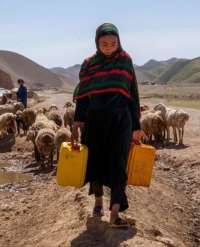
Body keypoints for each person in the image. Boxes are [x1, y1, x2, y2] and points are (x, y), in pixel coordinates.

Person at [71, 23, 147, 228]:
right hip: (95, 120)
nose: (109, 48)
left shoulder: (125, 60)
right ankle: (98, 201)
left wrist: (136, 126)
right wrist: (77, 122)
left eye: (113, 43)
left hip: (121, 120)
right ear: (97, 43)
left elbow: (132, 95)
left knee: (118, 163)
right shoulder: (89, 64)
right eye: (104, 44)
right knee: (95, 162)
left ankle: (115, 212)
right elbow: (84, 96)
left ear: (119, 42)